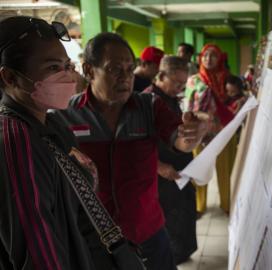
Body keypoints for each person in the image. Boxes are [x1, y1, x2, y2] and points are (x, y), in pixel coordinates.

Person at [52, 33, 207, 270]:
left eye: (130, 68)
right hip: (94, 240)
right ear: (89, 70)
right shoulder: (66, 117)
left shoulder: (149, 107)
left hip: (148, 234)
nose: (126, 77)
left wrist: (191, 134)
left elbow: (179, 140)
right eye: (115, 69)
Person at [0, 16, 104, 270]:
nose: (68, 76)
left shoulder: (51, 125)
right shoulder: (16, 139)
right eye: (52, 68)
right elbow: (38, 248)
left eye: (67, 65)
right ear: (10, 77)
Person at [142, 56, 197, 264]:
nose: (180, 88)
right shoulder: (146, 101)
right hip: (163, 174)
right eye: (176, 83)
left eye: (184, 84)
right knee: (170, 220)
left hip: (179, 171)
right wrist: (158, 166)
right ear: (161, 76)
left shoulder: (170, 98)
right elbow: (138, 143)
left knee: (183, 214)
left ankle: (182, 255)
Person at [184, 44, 236, 215]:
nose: (208, 59)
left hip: (223, 130)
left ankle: (226, 204)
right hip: (200, 131)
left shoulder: (228, 79)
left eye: (213, 55)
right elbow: (188, 106)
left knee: (225, 169)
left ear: (220, 58)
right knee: (200, 168)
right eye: (205, 55)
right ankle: (200, 206)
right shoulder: (194, 80)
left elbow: (234, 102)